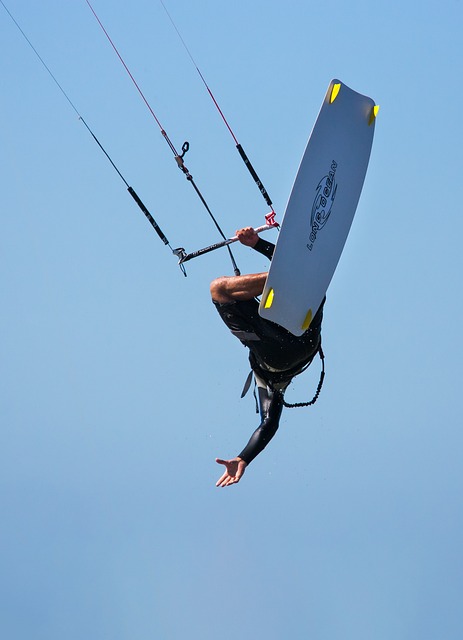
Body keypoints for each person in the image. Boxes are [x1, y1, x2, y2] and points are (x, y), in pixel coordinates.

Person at [211, 226, 324, 487]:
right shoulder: (267, 381)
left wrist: (244, 458)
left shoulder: (274, 389)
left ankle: (293, 275)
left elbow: (269, 422)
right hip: (287, 351)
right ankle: (289, 275)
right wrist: (258, 244)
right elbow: (268, 423)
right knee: (220, 290)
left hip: (307, 345)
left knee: (315, 294)